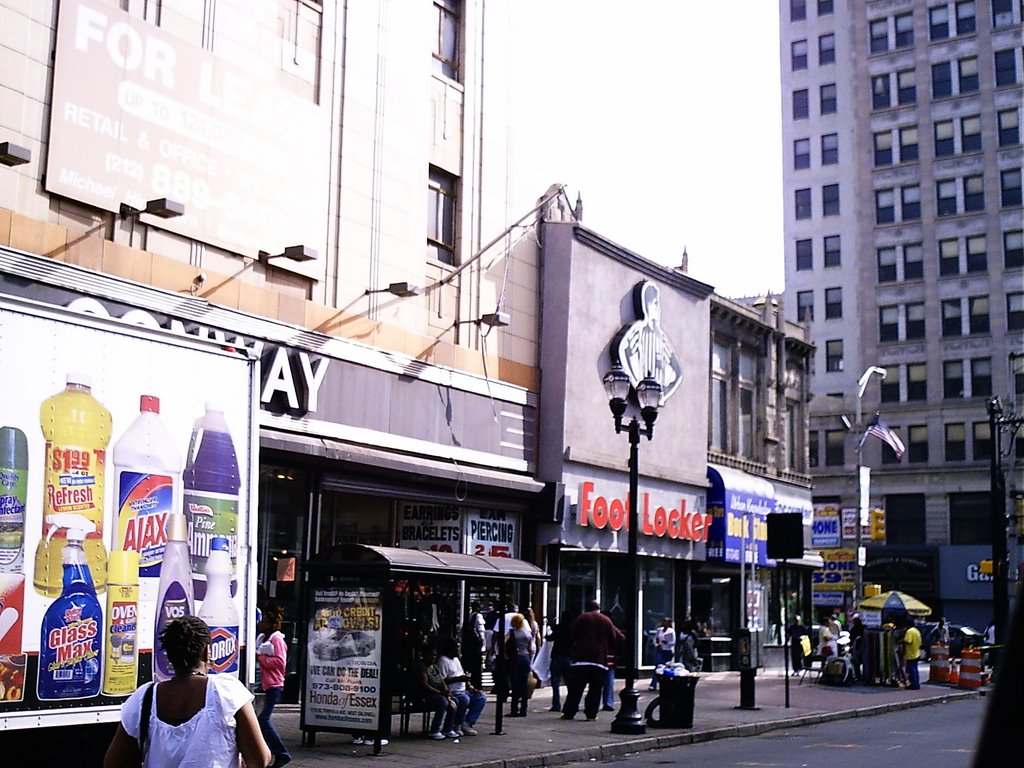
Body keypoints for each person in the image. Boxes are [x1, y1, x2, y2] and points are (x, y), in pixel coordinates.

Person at [103, 615, 271, 768]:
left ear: (169, 656)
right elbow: (260, 759)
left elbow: (112, 763)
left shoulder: (144, 698)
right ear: (206, 652)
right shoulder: (226, 692)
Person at [561, 600, 624, 722]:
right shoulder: (606, 620)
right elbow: (616, 637)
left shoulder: (582, 618)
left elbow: (572, 634)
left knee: (576, 689)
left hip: (581, 659)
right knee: (595, 690)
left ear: (588, 608)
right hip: (599, 660)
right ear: (599, 608)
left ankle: (569, 712)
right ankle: (591, 714)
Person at [255, 606, 292, 767]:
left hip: (274, 684)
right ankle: (270, 751)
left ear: (270, 624)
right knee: (260, 721)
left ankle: (281, 752)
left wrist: (261, 658)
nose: (260, 624)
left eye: (263, 621)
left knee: (263, 720)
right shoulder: (263, 638)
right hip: (266, 683)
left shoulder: (277, 640)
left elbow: (280, 662)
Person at [436, 637, 486, 736]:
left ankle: (467, 723)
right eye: (456, 648)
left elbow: (463, 675)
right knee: (464, 699)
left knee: (481, 698)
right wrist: (458, 679)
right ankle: (456, 724)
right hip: (453, 691)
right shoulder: (443, 661)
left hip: (463, 690)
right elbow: (442, 680)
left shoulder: (456, 660)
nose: (458, 650)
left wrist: (471, 687)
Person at [409, 645, 457, 739]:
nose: (433, 657)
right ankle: (434, 730)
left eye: (435, 655)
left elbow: (441, 681)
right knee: (442, 702)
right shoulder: (421, 666)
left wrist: (447, 691)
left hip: (435, 694)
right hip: (422, 696)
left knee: (454, 700)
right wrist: (440, 693)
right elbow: (425, 685)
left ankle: (448, 728)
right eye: (431, 655)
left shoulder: (435, 667)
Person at [505, 612, 536, 717]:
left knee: (515, 684)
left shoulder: (511, 632)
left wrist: (506, 655)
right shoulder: (527, 633)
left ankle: (514, 709)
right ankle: (523, 709)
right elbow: (531, 648)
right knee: (524, 684)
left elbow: (504, 643)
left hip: (515, 658)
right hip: (525, 658)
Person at [547, 610, 575, 712]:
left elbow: (550, 638)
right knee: (569, 683)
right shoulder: (573, 628)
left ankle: (556, 704)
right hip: (568, 657)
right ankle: (570, 704)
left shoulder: (559, 627)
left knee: (555, 682)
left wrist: (549, 630)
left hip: (557, 655)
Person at [461, 601, 486, 689]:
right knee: (477, 668)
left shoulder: (469, 616)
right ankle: (477, 685)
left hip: (469, 647)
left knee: (471, 667)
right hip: (476, 647)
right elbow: (481, 630)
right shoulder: (478, 616)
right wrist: (482, 642)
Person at [649, 616, 676, 690]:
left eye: (666, 622)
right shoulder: (659, 630)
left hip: (667, 650)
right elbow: (655, 639)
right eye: (663, 621)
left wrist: (666, 643)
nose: (664, 623)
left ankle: (666, 685)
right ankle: (653, 684)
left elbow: (673, 642)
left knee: (666, 667)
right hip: (660, 650)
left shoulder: (671, 631)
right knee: (658, 666)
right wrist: (657, 645)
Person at [902, 618, 922, 690]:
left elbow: (908, 641)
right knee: (915, 669)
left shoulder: (909, 631)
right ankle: (916, 683)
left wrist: (901, 641)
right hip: (917, 652)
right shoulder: (917, 631)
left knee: (911, 670)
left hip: (911, 653)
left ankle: (914, 684)